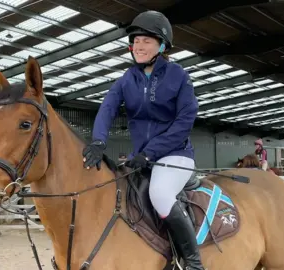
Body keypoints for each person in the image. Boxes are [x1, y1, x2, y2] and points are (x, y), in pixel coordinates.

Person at [81, 10, 203, 270]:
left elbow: (184, 122)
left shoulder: (178, 76)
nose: (139, 46)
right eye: (135, 41)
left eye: (146, 41)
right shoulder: (127, 79)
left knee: (159, 193)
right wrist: (99, 141)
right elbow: (107, 108)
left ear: (162, 45)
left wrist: (150, 152)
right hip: (143, 158)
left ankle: (193, 262)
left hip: (176, 154)